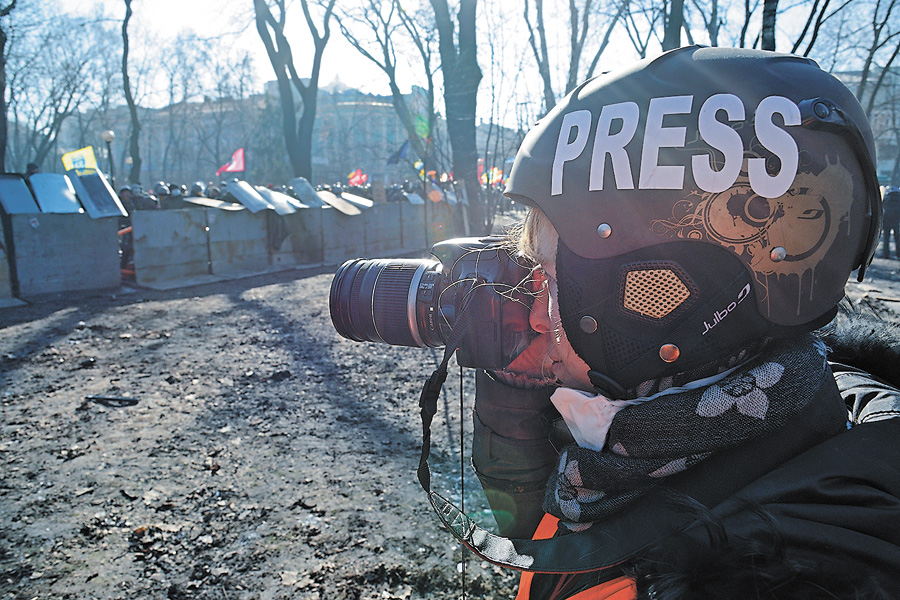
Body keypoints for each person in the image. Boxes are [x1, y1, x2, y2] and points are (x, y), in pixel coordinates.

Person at [467, 46, 900, 599]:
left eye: (551, 280)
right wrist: (518, 399)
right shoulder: (657, 450)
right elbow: (565, 550)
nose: (531, 313)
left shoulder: (797, 570)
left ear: (657, 298)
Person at [882, 186, 900, 258]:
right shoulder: (899, 199)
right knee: (897, 238)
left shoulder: (886, 198)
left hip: (887, 221)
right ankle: (898, 254)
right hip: (896, 221)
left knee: (886, 239)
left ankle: (885, 254)